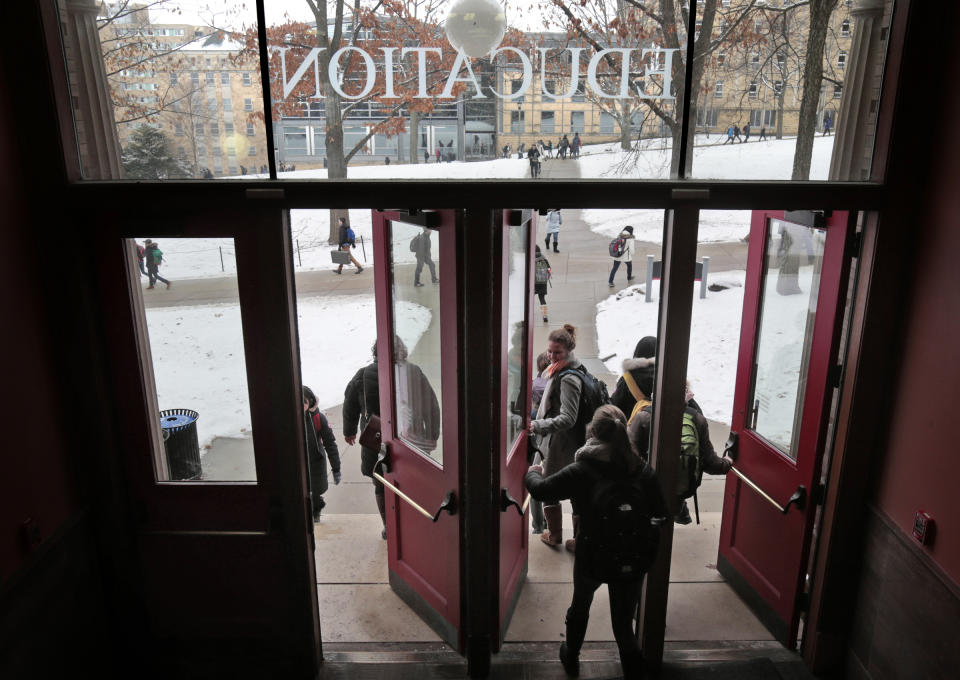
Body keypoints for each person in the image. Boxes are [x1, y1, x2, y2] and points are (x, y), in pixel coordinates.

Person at [525, 405, 668, 679]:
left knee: (581, 605)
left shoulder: (583, 469)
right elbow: (661, 514)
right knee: (623, 625)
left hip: (593, 553)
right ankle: (633, 669)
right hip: (632, 557)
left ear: (593, 432)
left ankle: (571, 655)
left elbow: (541, 490)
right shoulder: (642, 470)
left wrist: (533, 470)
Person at [628, 379, 731, 525]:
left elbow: (628, 455)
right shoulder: (697, 419)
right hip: (677, 493)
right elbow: (710, 463)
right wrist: (726, 463)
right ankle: (680, 511)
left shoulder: (643, 417)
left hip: (646, 494)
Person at [527, 324, 585, 547]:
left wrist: (538, 425)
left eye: (557, 352)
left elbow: (568, 418)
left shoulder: (569, 378)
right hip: (562, 442)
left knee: (552, 487)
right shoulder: (562, 369)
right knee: (574, 488)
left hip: (561, 443)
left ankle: (555, 535)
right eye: (549, 351)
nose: (551, 356)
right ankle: (571, 537)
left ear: (568, 351)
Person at [343, 342, 386, 538]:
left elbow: (350, 405)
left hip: (374, 437)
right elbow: (430, 406)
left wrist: (349, 431)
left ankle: (389, 528)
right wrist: (431, 433)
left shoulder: (362, 375)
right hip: (406, 437)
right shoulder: (409, 371)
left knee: (380, 483)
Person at [303, 386, 340, 521]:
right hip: (296, 464)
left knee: (314, 492)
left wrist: (336, 468)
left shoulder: (318, 418)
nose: (301, 405)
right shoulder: (288, 418)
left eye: (305, 402)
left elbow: (330, 443)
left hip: (315, 463)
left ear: (311, 403)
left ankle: (315, 512)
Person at [528, 351, 552, 534]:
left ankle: (538, 526)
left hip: (540, 437)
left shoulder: (535, 385)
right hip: (556, 439)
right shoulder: (556, 383)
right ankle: (551, 523)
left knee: (535, 477)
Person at [534, 245, 551, 322]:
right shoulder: (544, 259)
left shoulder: (531, 259)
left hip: (534, 282)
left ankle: (527, 314)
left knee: (529, 298)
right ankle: (544, 315)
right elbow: (549, 270)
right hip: (543, 282)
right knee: (542, 298)